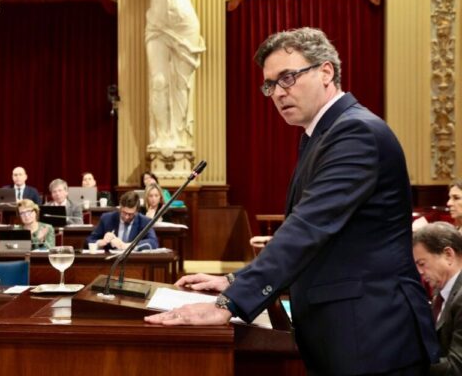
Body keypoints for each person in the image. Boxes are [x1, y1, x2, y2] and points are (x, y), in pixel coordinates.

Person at [146, 28, 439, 375]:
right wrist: (235, 281)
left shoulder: (355, 132)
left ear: (326, 72)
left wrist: (231, 302)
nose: (278, 93)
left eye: (288, 78)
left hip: (373, 337)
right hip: (353, 335)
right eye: (270, 85)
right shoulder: (323, 134)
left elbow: (309, 227)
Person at [135, 0, 210, 150]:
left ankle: (179, 138)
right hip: (157, 27)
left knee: (182, 86)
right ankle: (162, 136)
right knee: (158, 82)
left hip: (184, 26)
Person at [413, 222, 462, 375]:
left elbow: (456, 369)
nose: (419, 272)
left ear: (448, 255)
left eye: (422, 263)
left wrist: (406, 360)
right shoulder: (439, 292)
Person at [86, 191, 158, 251]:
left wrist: (127, 246)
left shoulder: (144, 221)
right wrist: (102, 242)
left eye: (130, 214)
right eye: (124, 213)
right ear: (120, 208)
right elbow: (89, 241)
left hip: (134, 262)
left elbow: (153, 242)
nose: (126, 217)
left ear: (137, 212)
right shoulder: (107, 218)